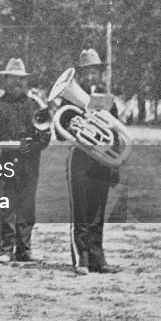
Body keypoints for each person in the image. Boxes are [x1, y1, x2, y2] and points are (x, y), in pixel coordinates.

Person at [0, 58, 51, 266]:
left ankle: (24, 248)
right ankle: (6, 249)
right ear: (6, 80)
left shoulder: (34, 106)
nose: (18, 83)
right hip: (5, 163)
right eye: (13, 78)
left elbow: (45, 136)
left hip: (29, 163)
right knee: (7, 206)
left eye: (21, 79)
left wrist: (31, 146)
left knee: (27, 207)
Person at [67, 49, 120, 274]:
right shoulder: (70, 97)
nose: (90, 77)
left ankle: (98, 257)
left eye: (94, 72)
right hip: (80, 160)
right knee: (81, 211)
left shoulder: (108, 99)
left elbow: (116, 133)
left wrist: (115, 163)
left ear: (100, 74)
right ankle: (82, 258)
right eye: (86, 72)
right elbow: (62, 129)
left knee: (98, 211)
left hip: (102, 162)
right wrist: (76, 124)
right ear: (80, 74)